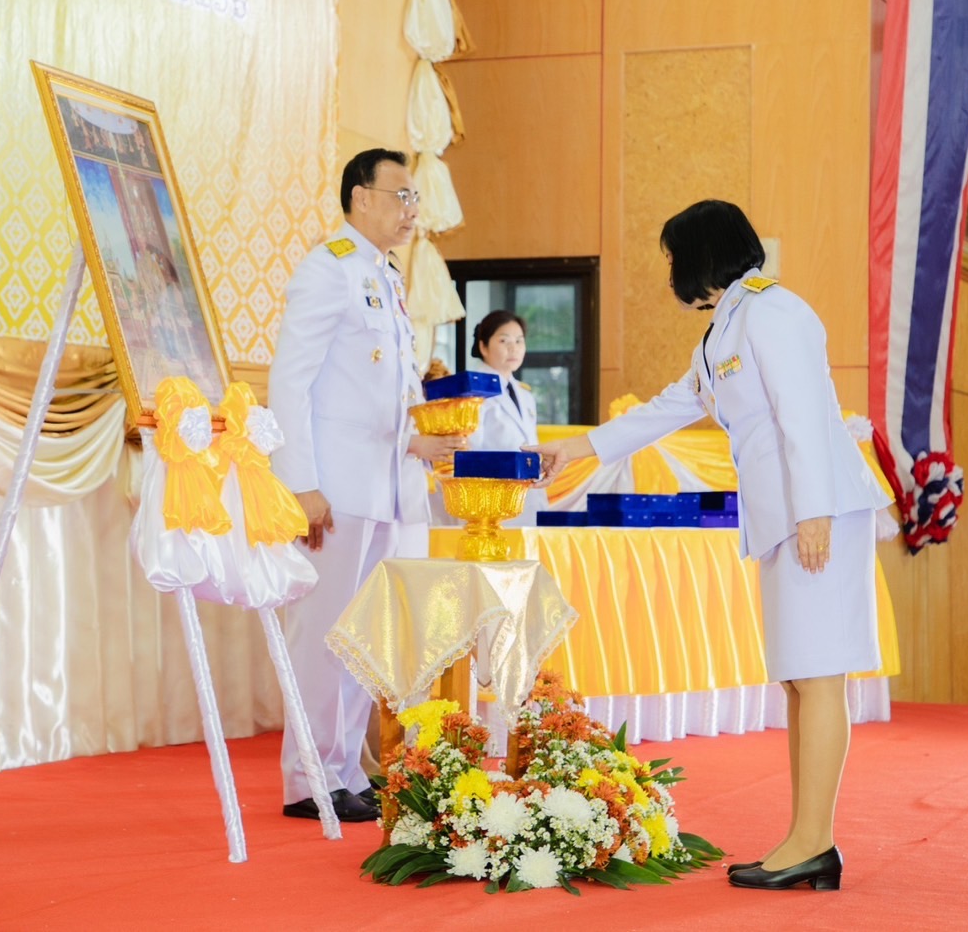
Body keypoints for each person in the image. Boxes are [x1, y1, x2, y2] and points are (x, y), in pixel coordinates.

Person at [531, 200, 888, 892]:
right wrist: (579, 447)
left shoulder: (772, 311)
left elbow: (806, 418)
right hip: (788, 519)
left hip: (818, 514)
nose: (670, 271)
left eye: (673, 257)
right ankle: (807, 840)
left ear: (703, 252)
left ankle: (813, 844)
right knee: (799, 678)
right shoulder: (723, 330)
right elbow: (672, 406)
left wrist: (813, 512)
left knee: (818, 677)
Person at [268, 148, 465, 823]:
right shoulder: (330, 270)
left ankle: (346, 765)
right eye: (402, 195)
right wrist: (301, 482)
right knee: (324, 632)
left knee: (368, 635)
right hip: (340, 490)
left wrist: (417, 441)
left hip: (391, 488)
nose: (413, 209)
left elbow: (378, 392)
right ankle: (306, 776)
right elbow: (291, 382)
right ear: (361, 198)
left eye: (415, 198)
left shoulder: (384, 275)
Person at [466, 309, 549, 525]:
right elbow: (469, 450)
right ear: (483, 346)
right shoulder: (472, 391)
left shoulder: (525, 394)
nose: (514, 348)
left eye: (519, 341)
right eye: (504, 341)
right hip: (491, 500)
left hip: (528, 496)